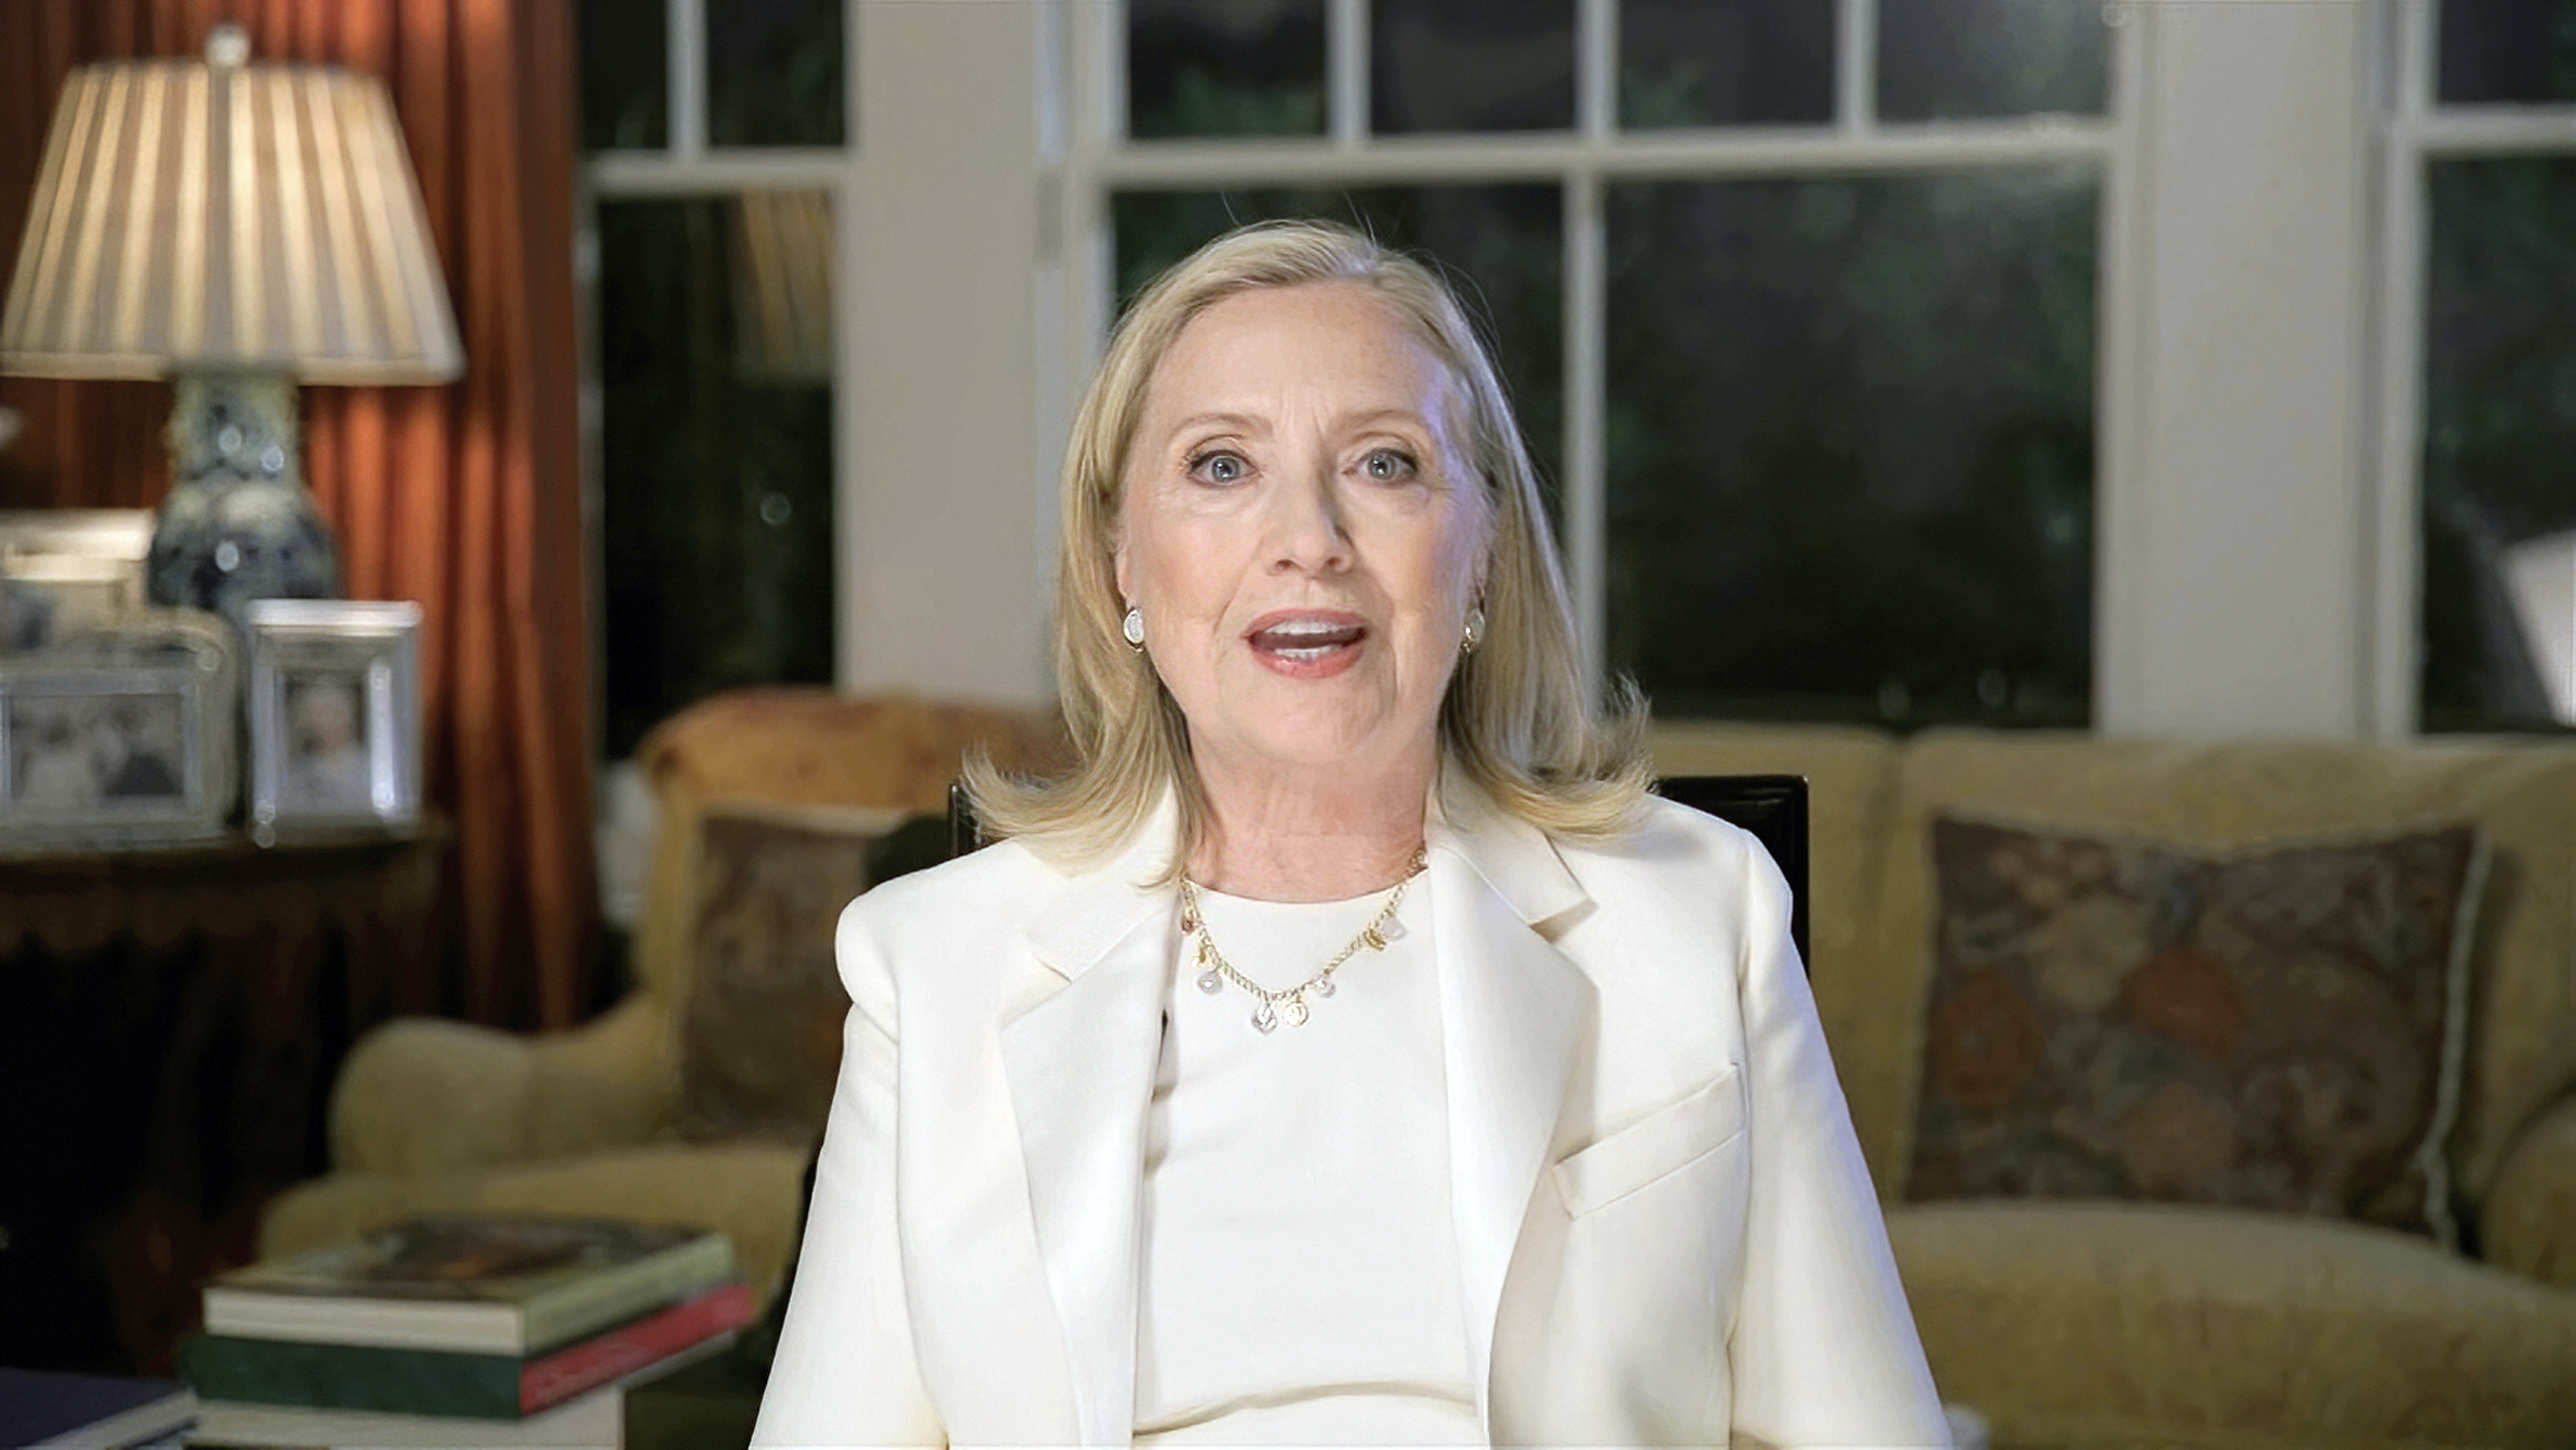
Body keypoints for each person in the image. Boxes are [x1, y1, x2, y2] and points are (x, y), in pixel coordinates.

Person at [753, 220, 1948, 1447]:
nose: (1309, 539)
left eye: (1383, 464)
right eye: (1222, 466)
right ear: (1121, 560)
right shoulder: (928, 963)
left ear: (1481, 552)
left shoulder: (1701, 911)